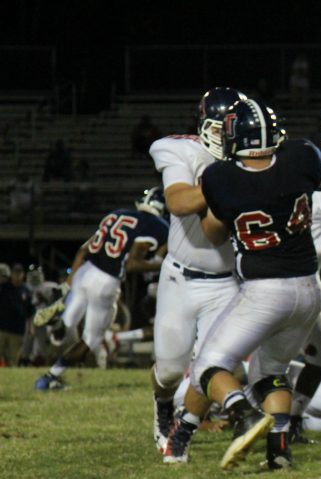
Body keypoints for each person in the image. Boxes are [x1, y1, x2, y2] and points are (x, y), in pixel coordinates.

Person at [165, 98, 321, 469]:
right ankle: (279, 451)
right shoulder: (302, 157)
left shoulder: (221, 178)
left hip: (264, 290)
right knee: (269, 372)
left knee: (208, 365)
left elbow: (214, 234)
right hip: (309, 288)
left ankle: (243, 414)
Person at [147, 87, 244, 454]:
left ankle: (182, 432)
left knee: (212, 366)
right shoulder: (181, 150)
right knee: (170, 371)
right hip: (180, 277)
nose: (227, 137)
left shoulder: (251, 159)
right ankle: (161, 405)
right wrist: (227, 186)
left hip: (226, 283)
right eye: (220, 129)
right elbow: (178, 201)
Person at [33, 188, 168, 390]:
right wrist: (161, 264)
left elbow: (83, 250)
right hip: (106, 280)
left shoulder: (117, 214)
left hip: (85, 271)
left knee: (66, 328)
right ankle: (50, 377)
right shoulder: (157, 226)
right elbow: (132, 264)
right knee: (91, 339)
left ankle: (59, 323)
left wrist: (66, 285)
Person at [0, 263, 32, 366]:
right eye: (15, 273)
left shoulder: (26, 290)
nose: (17, 275)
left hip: (17, 330)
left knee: (13, 359)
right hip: (2, 328)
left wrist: (31, 326)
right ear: (11, 274)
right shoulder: (3, 287)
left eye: (20, 273)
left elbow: (30, 311)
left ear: (23, 275)